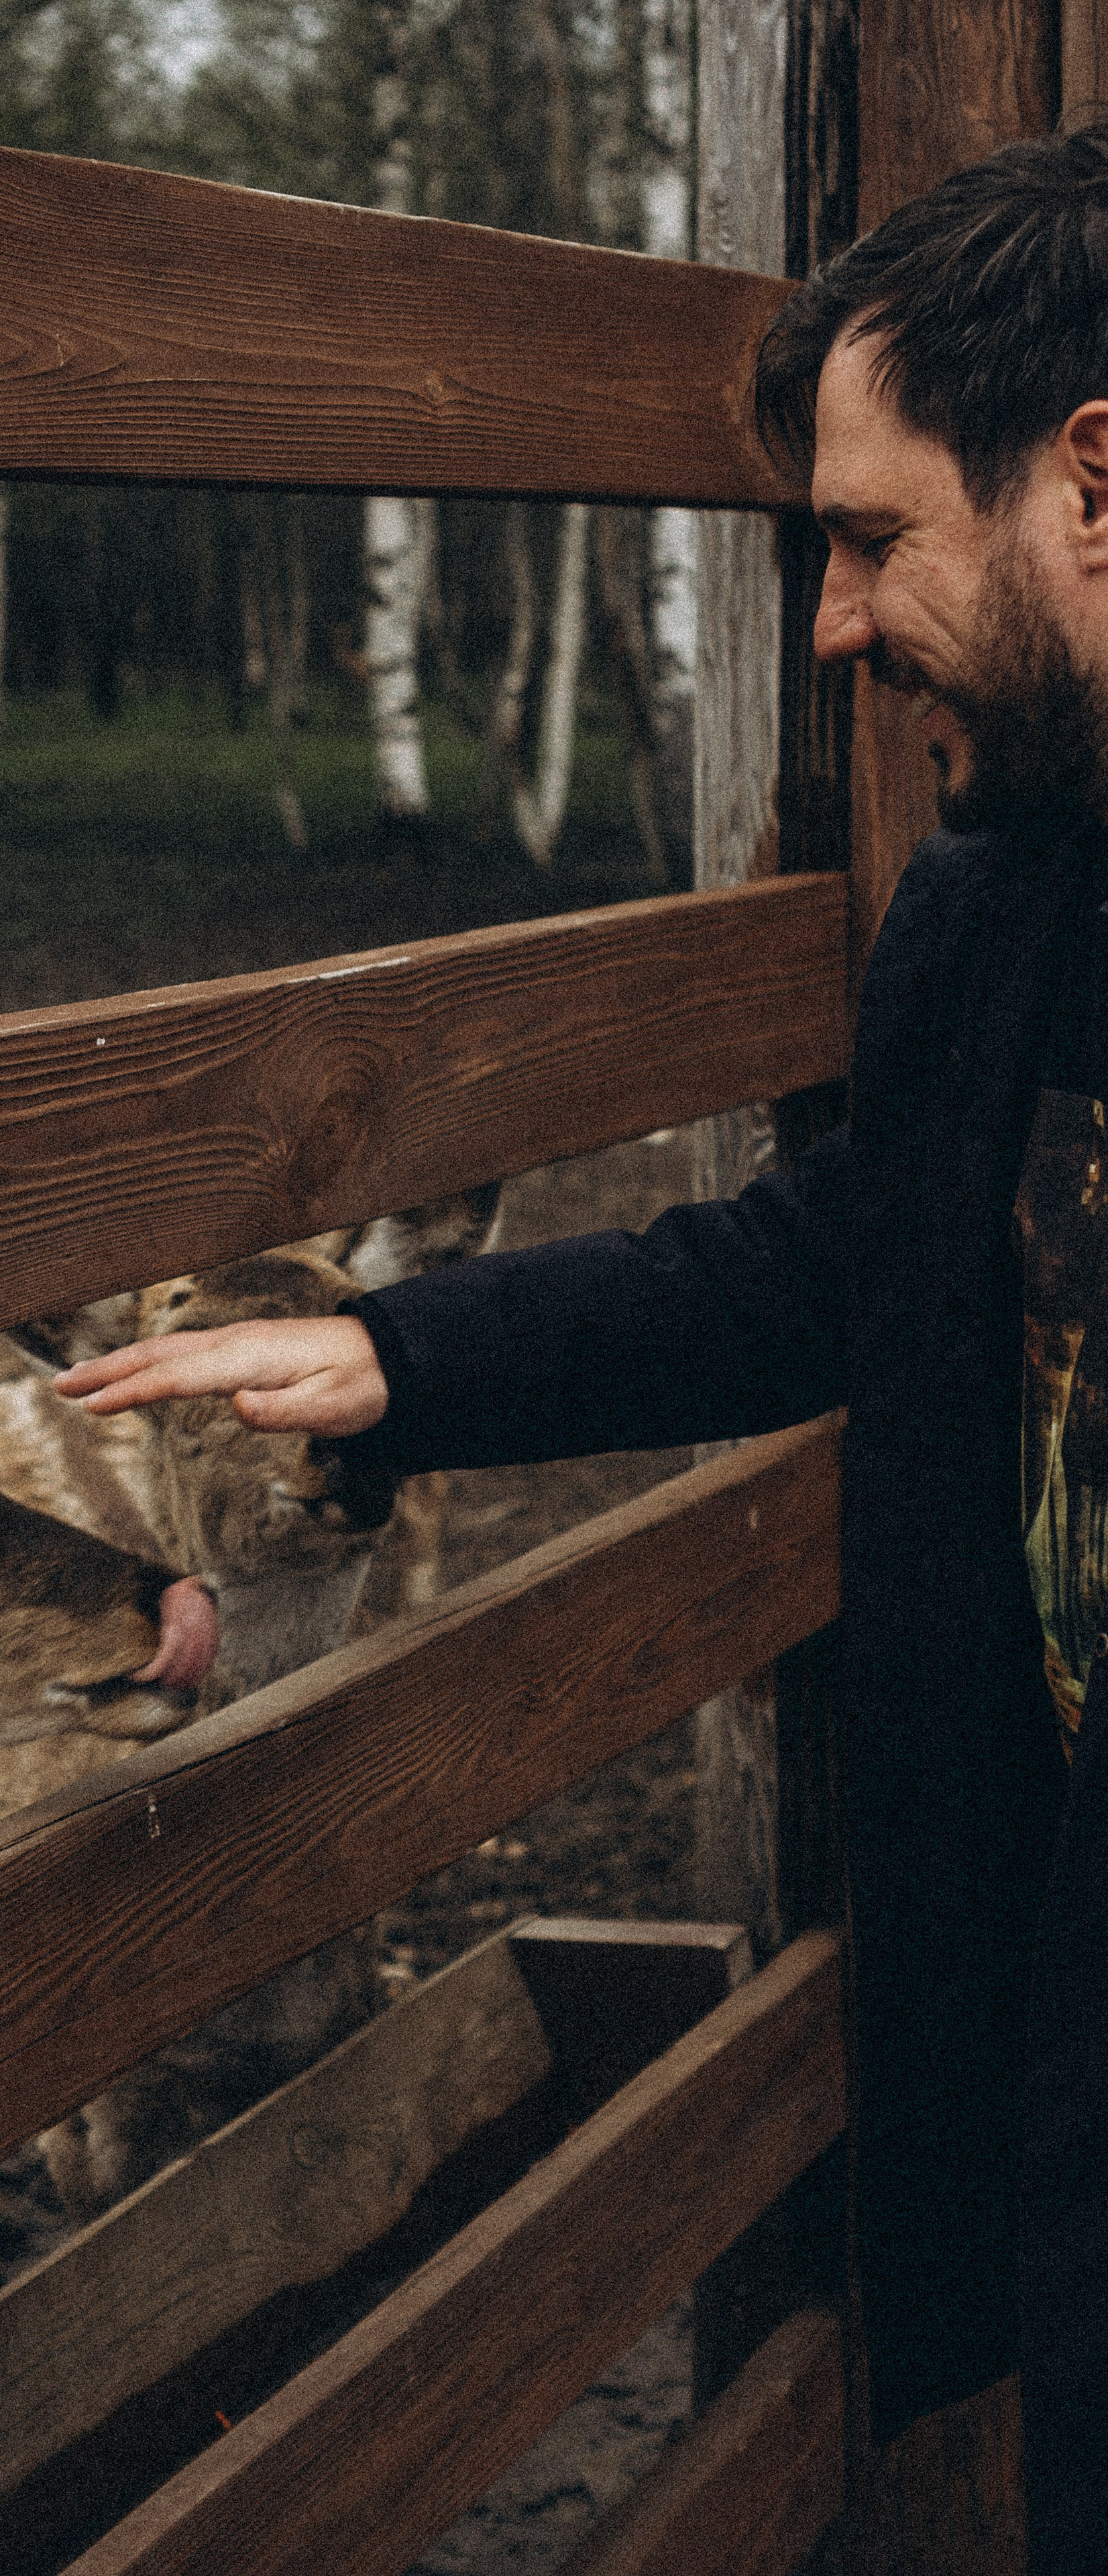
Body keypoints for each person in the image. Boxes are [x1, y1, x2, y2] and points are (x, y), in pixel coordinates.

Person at [54, 129, 1108, 2575]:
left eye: (870, 540)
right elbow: (844, 1261)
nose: (835, 624)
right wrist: (403, 1359)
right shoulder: (1006, 906)